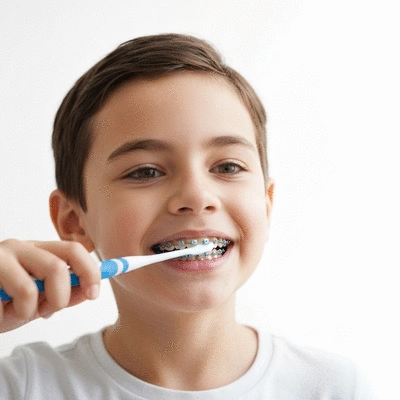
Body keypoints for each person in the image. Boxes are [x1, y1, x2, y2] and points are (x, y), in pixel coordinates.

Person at [0, 33, 373, 399]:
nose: (196, 197)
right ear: (73, 222)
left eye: (227, 166)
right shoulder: (23, 387)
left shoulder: (335, 388)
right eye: (146, 171)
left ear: (266, 203)